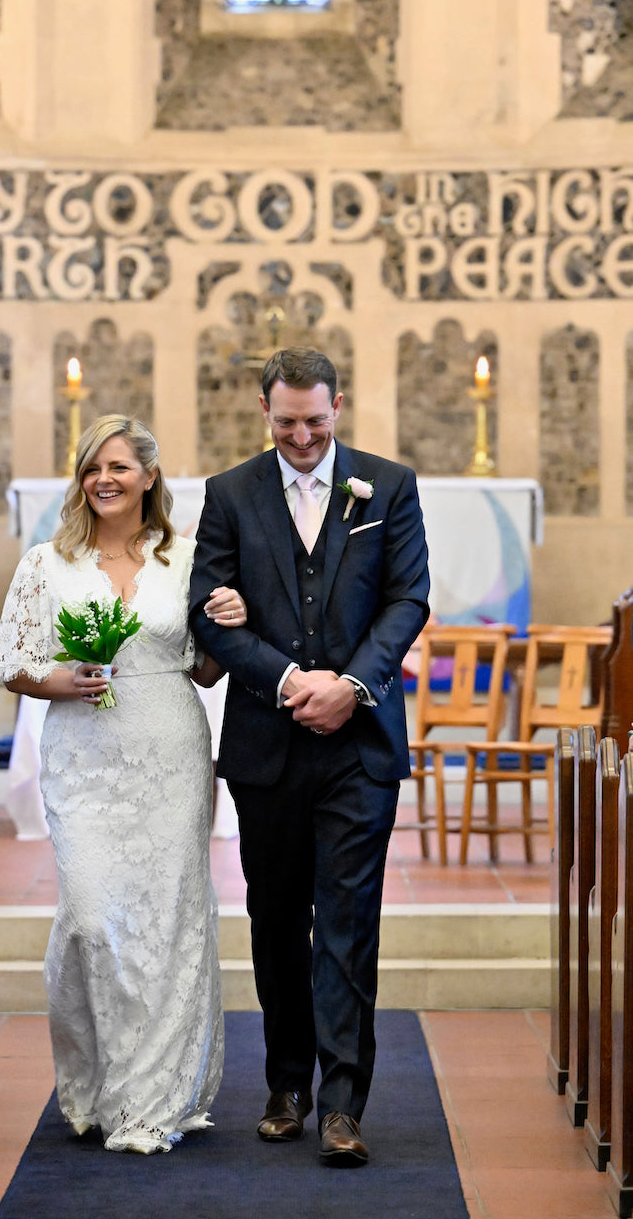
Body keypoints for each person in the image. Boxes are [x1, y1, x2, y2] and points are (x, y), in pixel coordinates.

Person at [189, 347, 430, 1167]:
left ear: (339, 407)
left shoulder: (387, 486)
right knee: (277, 918)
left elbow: (407, 597)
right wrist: (292, 681)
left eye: (316, 422)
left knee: (349, 922)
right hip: (268, 744)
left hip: (360, 745)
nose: (301, 436)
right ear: (265, 409)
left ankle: (342, 1105)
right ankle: (287, 1085)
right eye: (287, 422)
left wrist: (352, 686)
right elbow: (209, 613)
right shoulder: (230, 494)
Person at [0, 413, 246, 1154]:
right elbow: (12, 662)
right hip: (85, 757)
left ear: (149, 476)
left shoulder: (188, 559)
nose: (104, 479)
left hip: (169, 750)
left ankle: (151, 1100)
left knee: (168, 923)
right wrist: (60, 680)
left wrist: (233, 619)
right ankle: (97, 1080)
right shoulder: (47, 562)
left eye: (120, 467)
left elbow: (206, 667)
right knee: (92, 918)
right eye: (92, 468)